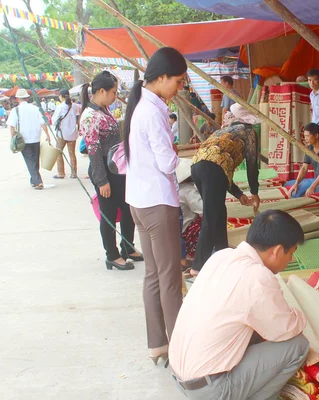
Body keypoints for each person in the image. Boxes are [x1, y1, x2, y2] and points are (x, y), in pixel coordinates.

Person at [169, 210, 309, 400]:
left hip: (182, 378)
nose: (290, 260)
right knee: (298, 345)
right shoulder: (258, 277)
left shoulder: (221, 256)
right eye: (291, 253)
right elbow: (286, 329)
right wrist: (301, 314)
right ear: (276, 251)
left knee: (254, 328)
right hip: (210, 390)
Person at [123, 47, 187, 364]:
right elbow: (166, 161)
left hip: (139, 201)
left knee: (153, 275)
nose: (179, 87)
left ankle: (158, 345)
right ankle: (181, 351)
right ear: (161, 78)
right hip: (157, 203)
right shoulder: (152, 111)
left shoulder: (141, 107)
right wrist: (183, 159)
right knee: (170, 278)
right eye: (177, 81)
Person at [79, 71, 140, 271]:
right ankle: (112, 255)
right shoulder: (90, 116)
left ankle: (127, 247)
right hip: (104, 171)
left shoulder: (103, 110)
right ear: (101, 91)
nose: (115, 96)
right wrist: (101, 180)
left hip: (118, 169)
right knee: (109, 213)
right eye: (113, 92)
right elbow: (94, 152)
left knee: (127, 210)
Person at [190, 123, 260, 276]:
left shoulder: (224, 130)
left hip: (197, 166)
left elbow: (219, 166)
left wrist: (239, 194)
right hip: (213, 169)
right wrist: (254, 191)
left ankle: (223, 256)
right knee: (211, 216)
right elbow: (252, 163)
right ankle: (198, 266)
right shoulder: (250, 133)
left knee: (219, 212)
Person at [7, 89, 51, 189]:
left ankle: (37, 181)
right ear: (27, 98)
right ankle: (34, 180)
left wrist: (12, 137)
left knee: (29, 161)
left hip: (24, 139)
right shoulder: (35, 108)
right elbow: (43, 122)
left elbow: (11, 125)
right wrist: (47, 134)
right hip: (36, 137)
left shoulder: (16, 110)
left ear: (17, 99)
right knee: (35, 160)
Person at [176, 158, 203, 270]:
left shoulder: (178, 189)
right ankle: (191, 255)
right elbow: (203, 209)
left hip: (179, 230)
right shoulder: (189, 191)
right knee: (207, 221)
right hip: (187, 232)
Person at [52, 88, 79, 179]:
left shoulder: (60, 107)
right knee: (72, 153)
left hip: (62, 134)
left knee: (58, 152)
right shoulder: (75, 106)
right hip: (72, 133)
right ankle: (73, 173)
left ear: (61, 96)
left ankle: (61, 172)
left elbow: (54, 120)